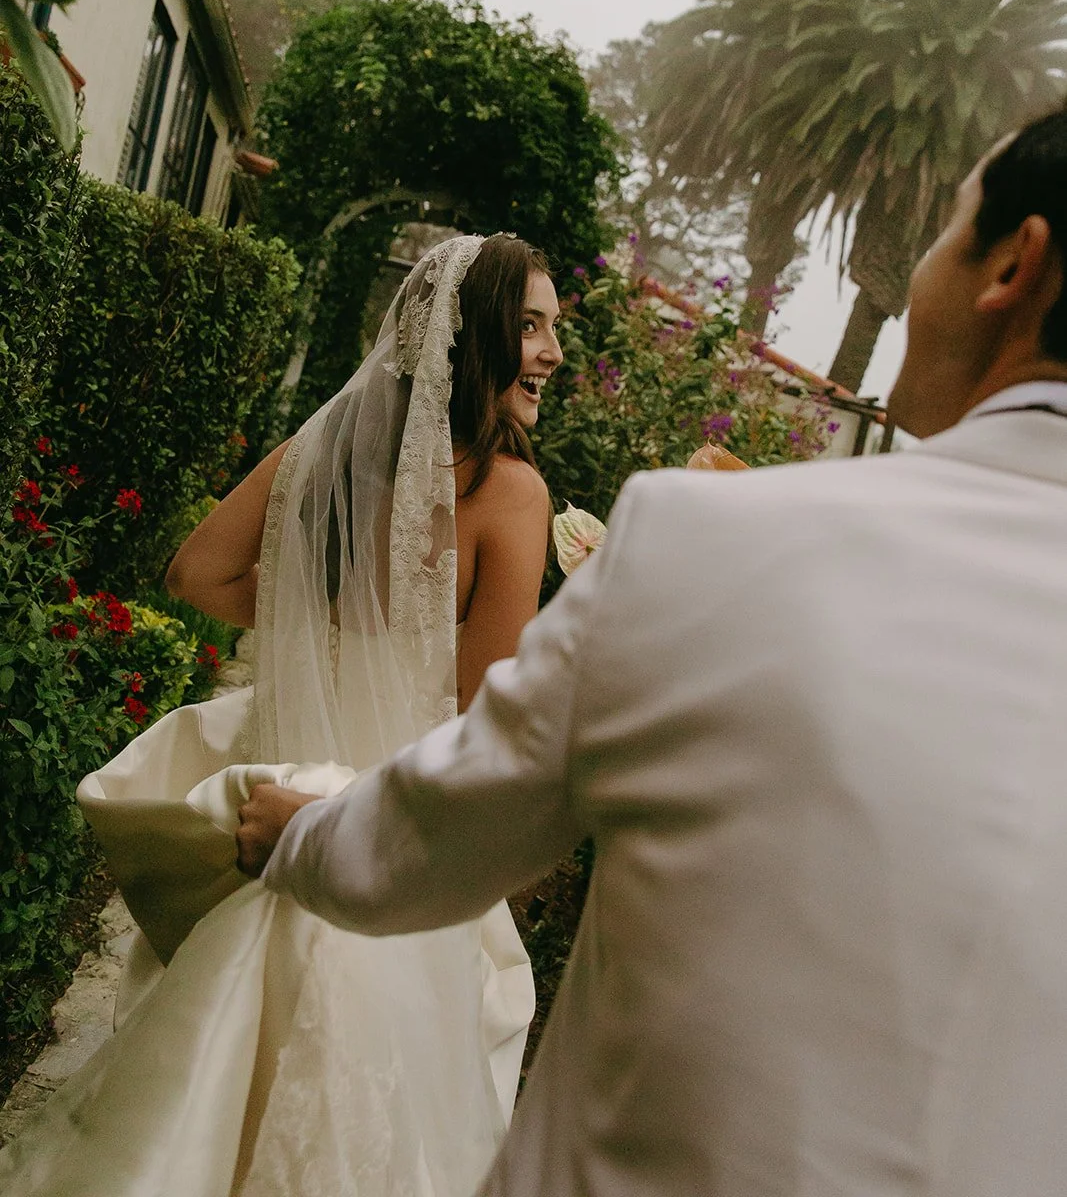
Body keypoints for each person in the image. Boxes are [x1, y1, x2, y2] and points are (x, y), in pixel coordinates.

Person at [240, 108, 1067, 1197]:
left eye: (942, 226)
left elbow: (431, 832)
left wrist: (295, 832)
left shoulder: (709, 540)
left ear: (1014, 262)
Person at [0, 232, 563, 1197]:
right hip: (380, 838)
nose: (553, 353)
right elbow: (482, 718)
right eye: (532, 327)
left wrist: (325, 613)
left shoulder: (318, 454)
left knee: (203, 1082)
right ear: (471, 339)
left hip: (268, 823)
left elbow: (194, 573)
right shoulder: (509, 495)